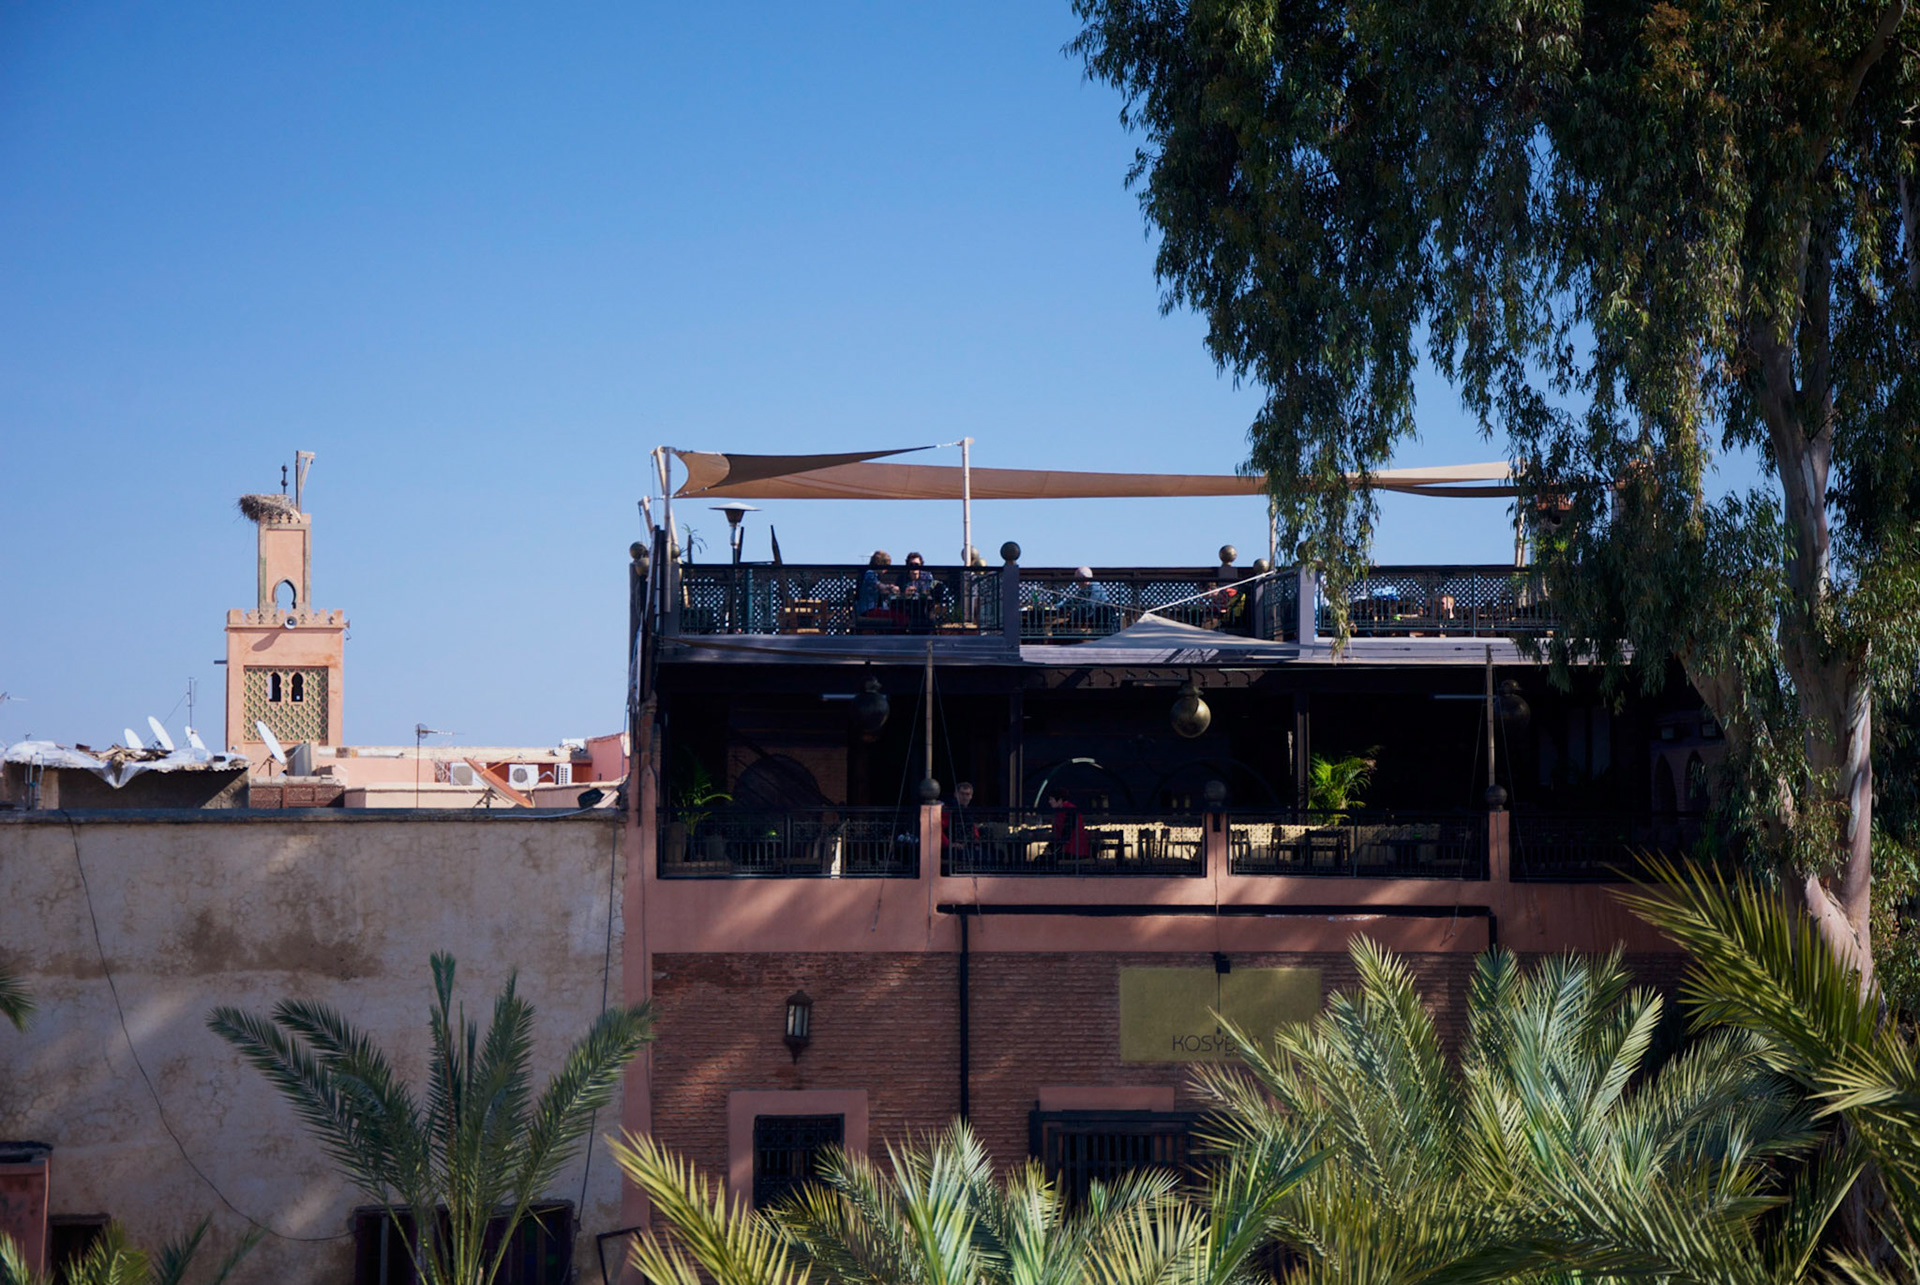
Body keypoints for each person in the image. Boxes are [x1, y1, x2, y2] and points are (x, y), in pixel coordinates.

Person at [856, 551, 900, 626]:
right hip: (867, 610)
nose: (886, 570)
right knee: (899, 617)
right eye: (885, 567)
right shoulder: (869, 573)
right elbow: (878, 585)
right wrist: (890, 587)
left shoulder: (873, 574)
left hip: (870, 609)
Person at [1047, 790, 1091, 860]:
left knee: (1042, 861)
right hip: (1075, 850)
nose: (1049, 802)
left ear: (1060, 800)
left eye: (1051, 799)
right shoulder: (1067, 810)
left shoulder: (1069, 811)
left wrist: (1051, 847)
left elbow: (1066, 832)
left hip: (1073, 851)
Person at [942, 781, 978, 863]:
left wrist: (976, 842)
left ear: (971, 796)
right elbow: (938, 830)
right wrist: (949, 844)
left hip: (967, 847)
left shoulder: (969, 811)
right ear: (955, 794)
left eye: (967, 794)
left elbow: (973, 829)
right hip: (951, 850)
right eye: (962, 794)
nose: (964, 797)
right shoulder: (948, 809)